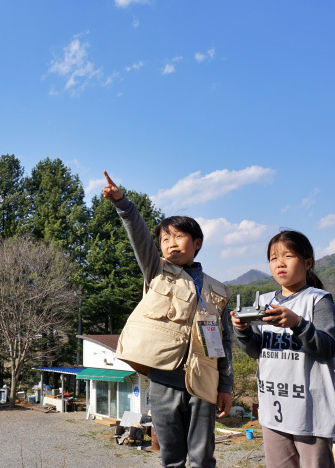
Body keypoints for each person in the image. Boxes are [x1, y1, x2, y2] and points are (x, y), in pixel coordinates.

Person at [102, 171, 233, 468]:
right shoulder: (156, 271)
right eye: (165, 238)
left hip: (204, 383)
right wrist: (123, 204)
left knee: (202, 459)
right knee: (171, 459)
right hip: (162, 382)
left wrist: (225, 387)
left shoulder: (218, 291)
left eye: (179, 236)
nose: (171, 243)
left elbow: (224, 344)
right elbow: (139, 236)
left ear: (197, 243)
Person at [231, 230, 335, 468]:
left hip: (311, 411)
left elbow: (327, 349)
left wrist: (298, 323)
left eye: (288, 256)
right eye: (273, 258)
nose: (280, 263)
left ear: (307, 263)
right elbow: (256, 351)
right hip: (273, 408)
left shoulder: (318, 300)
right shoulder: (263, 301)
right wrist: (242, 331)